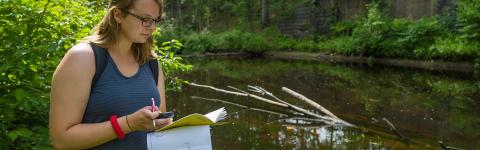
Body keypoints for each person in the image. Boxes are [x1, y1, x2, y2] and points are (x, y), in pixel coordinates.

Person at [49, 0, 172, 149]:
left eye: (155, 20)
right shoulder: (83, 58)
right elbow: (62, 140)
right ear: (118, 15)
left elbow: (160, 127)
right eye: (145, 20)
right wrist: (128, 124)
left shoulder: (151, 62)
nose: (152, 27)